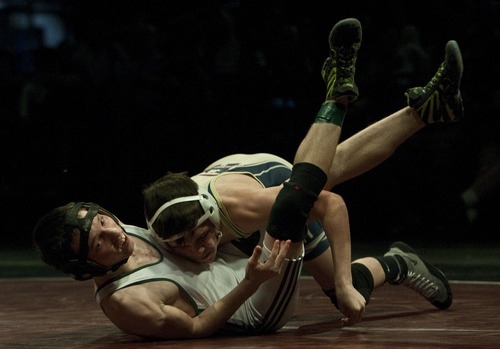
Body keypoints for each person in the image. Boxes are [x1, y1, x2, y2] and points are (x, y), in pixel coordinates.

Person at [33, 18, 460, 339]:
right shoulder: (133, 288)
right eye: (99, 243)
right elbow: (196, 328)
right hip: (250, 257)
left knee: (305, 205)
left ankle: (337, 96)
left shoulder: (220, 214)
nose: (112, 235)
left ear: (209, 219)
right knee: (335, 269)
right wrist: (263, 281)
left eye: (105, 223)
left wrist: (341, 284)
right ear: (85, 266)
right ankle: (399, 258)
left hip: (251, 198)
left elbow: (330, 204)